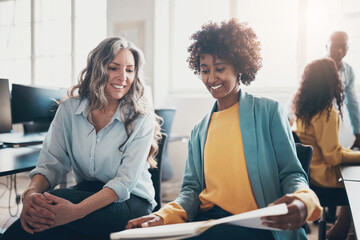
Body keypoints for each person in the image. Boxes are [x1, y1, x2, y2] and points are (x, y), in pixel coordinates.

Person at [126, 18, 322, 240]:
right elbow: (190, 192)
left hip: (259, 225)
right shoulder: (199, 131)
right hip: (210, 223)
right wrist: (162, 216)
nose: (211, 78)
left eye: (220, 69)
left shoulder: (268, 111)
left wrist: (302, 200)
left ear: (239, 67)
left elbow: (292, 173)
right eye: (204, 70)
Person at [1, 37, 162, 240]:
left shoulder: (141, 117)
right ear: (98, 69)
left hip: (131, 201)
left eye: (130, 70)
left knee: (53, 205)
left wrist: (74, 212)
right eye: (114, 68)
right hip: (88, 190)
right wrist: (30, 196)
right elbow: (51, 164)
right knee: (45, 213)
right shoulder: (69, 110)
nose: (123, 77)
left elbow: (124, 183)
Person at [293, 58, 360, 240]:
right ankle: (352, 233)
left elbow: (331, 150)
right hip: (323, 179)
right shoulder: (327, 112)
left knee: (353, 178)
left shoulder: (303, 112)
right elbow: (333, 157)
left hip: (310, 175)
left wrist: (353, 154)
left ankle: (340, 229)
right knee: (356, 182)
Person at [327, 31, 360, 149]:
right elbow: (300, 94)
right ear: (327, 47)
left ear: (348, 48)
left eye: (343, 46)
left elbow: (352, 103)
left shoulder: (348, 71)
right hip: (315, 121)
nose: (339, 50)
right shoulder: (317, 68)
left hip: (333, 120)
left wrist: (358, 133)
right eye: (335, 46)